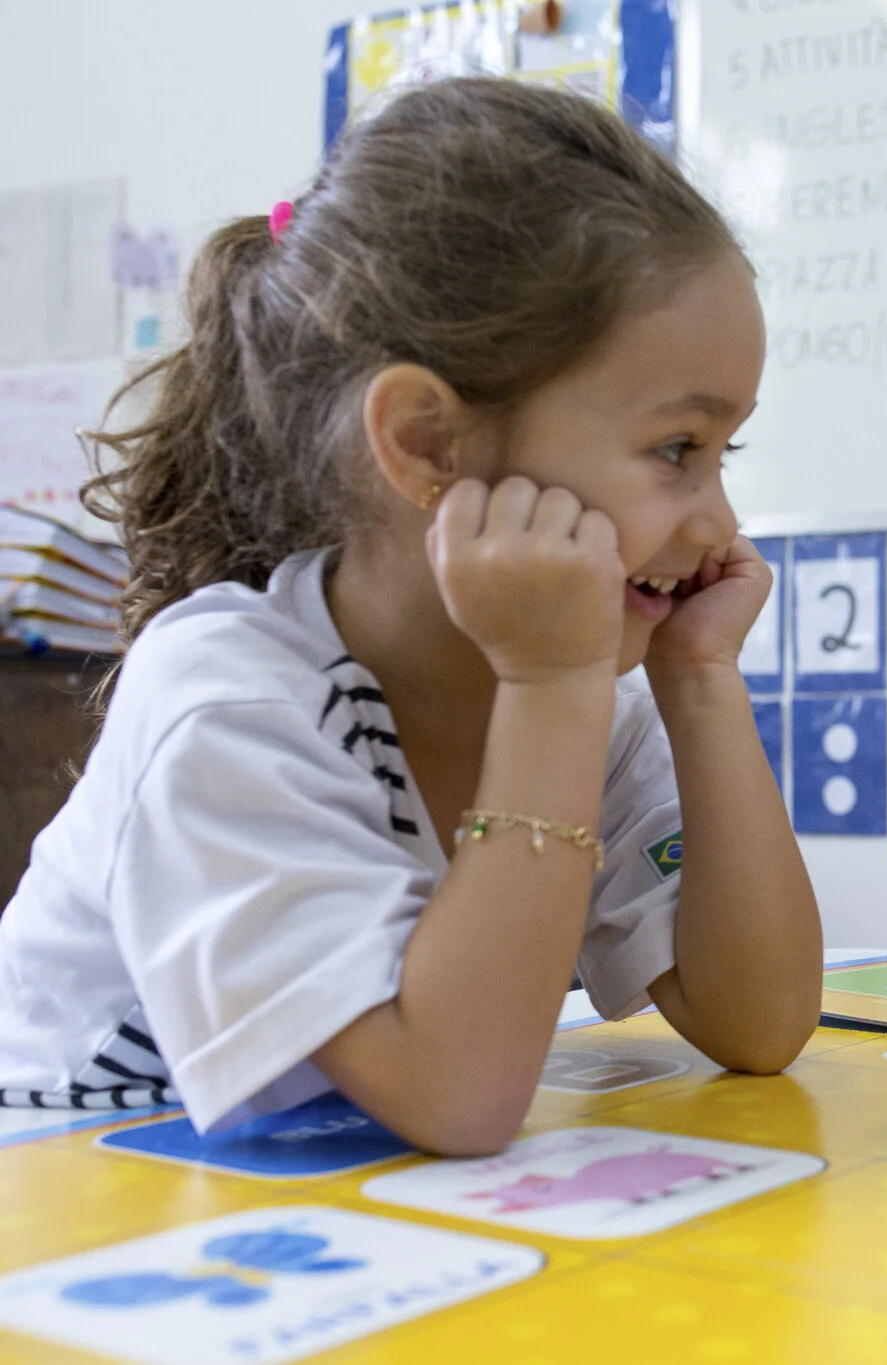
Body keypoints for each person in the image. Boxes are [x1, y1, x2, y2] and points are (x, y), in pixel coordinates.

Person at [0, 79, 820, 1153]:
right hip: (72, 1219)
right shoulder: (231, 699)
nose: (718, 522)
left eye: (725, 455)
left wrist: (700, 686)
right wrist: (551, 690)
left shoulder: (590, 708)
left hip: (316, 1208)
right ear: (432, 446)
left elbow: (758, 1024)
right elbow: (458, 1096)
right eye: (676, 451)